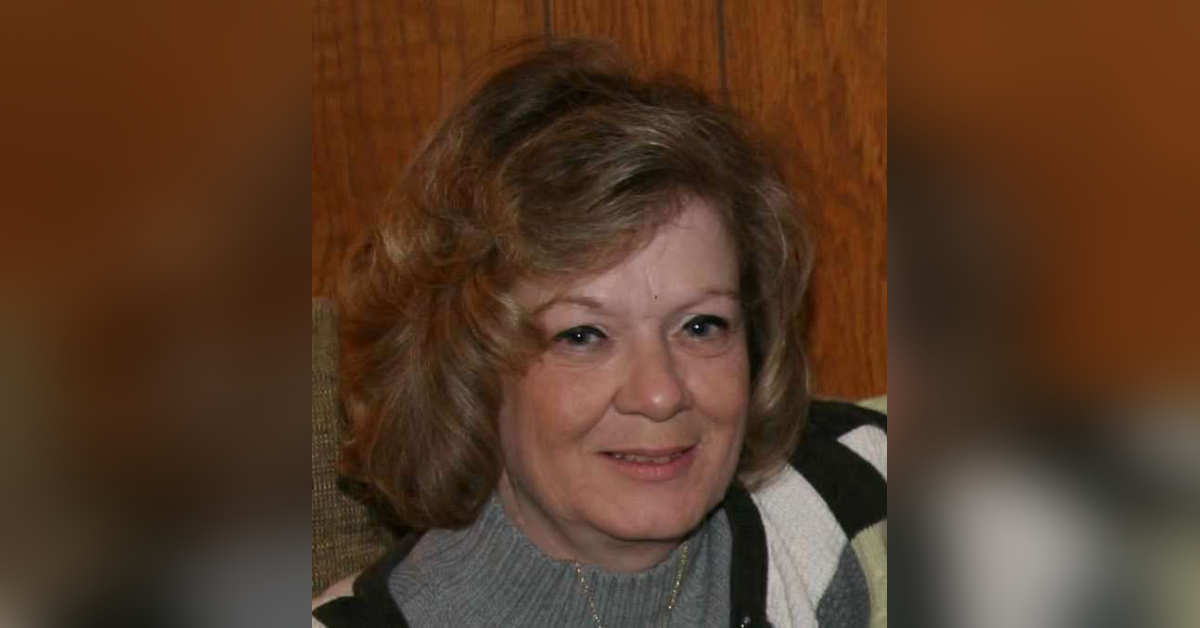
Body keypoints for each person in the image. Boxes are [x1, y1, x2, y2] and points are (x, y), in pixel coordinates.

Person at [313, 39, 886, 628]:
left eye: (700, 326)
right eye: (583, 336)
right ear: (464, 369)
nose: (660, 394)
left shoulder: (857, 500)